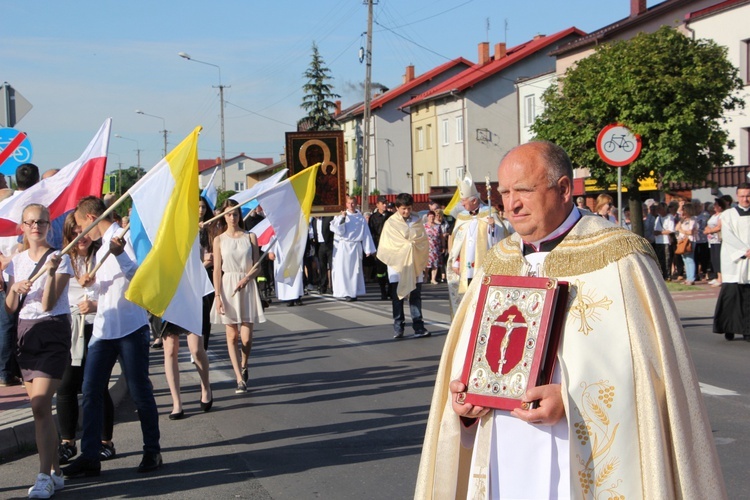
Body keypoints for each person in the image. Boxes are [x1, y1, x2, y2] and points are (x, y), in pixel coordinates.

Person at [415, 141, 726, 499]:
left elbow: (650, 376)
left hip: (578, 450)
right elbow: (470, 362)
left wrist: (570, 399)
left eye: (524, 191)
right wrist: (465, 402)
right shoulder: (498, 261)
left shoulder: (619, 258)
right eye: (504, 192)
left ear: (564, 189)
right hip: (502, 448)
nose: (511, 205)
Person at [64, 196, 162, 477]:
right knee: (91, 390)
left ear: (91, 218)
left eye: (82, 224)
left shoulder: (122, 238)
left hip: (131, 328)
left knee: (140, 390)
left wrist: (120, 254)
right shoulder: (99, 250)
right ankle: (90, 456)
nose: (82, 232)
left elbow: (140, 278)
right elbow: (104, 293)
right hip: (105, 329)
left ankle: (152, 450)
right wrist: (90, 286)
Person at [6, 203, 72, 498]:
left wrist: (50, 272)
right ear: (22, 226)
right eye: (30, 222)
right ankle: (56, 472)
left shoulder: (62, 257)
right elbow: (9, 308)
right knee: (41, 411)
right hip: (25, 335)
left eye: (42, 222)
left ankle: (43, 475)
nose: (36, 226)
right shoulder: (16, 262)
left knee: (40, 404)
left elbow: (47, 304)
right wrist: (14, 288)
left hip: (52, 331)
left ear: (49, 225)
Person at [55, 213, 117, 466]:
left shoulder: (104, 255)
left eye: (84, 230)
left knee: (97, 385)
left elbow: (118, 292)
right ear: (68, 234)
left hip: (97, 327)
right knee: (66, 385)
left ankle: (106, 442)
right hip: (70, 329)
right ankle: (67, 441)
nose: (80, 236)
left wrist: (96, 304)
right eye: (75, 231)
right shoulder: (60, 260)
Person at [210, 199, 265, 394]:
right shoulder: (219, 240)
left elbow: (257, 266)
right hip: (227, 287)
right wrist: (217, 295)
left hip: (247, 286)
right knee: (231, 334)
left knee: (246, 338)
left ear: (240, 215)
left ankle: (244, 363)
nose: (232, 217)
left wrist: (247, 278)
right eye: (228, 214)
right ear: (223, 216)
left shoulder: (251, 237)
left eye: (235, 213)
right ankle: (239, 378)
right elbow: (217, 270)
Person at [446, 172, 508, 313]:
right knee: (467, 296)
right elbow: (457, 243)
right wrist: (456, 261)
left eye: (464, 201)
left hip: (483, 264)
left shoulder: (489, 213)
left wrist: (493, 227)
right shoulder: (462, 217)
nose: (462, 204)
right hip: (465, 266)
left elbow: (500, 238)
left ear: (474, 201)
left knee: (481, 296)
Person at [376, 193, 430, 339]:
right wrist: (405, 246)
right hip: (397, 265)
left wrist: (415, 249)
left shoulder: (417, 221)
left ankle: (418, 326)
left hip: (414, 263)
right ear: (397, 208)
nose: (406, 212)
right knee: (398, 296)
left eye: (409, 208)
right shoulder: (391, 223)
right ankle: (398, 326)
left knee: (415, 295)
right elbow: (388, 244)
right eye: (403, 209)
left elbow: (423, 241)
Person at [713, 182, 750, 341]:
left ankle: (747, 330)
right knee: (731, 297)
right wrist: (744, 251)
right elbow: (727, 236)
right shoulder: (728, 215)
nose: (745, 199)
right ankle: (729, 327)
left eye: (748, 196)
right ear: (737, 196)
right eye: (742, 196)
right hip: (734, 260)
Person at [330, 196, 376, 301]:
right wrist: (342, 218)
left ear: (356, 204)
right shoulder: (341, 215)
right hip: (344, 246)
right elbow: (338, 231)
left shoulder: (360, 217)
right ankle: (345, 292)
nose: (351, 205)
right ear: (346, 204)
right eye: (349, 203)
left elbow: (366, 233)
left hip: (355, 246)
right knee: (344, 270)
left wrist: (368, 249)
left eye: (353, 203)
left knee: (355, 270)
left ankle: (353, 292)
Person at [368, 195, 393, 300]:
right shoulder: (373, 217)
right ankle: (382, 290)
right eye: (382, 203)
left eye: (386, 203)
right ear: (377, 204)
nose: (384, 205)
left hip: (390, 246)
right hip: (379, 247)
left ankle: (391, 291)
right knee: (381, 271)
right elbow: (370, 234)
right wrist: (372, 249)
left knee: (391, 270)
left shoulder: (391, 216)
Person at [704, 197, 728, 287]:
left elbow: (719, 226)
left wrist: (710, 231)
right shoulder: (713, 216)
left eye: (716, 205)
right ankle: (717, 276)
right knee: (714, 259)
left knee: (718, 259)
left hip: (718, 239)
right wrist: (706, 230)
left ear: (720, 206)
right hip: (711, 240)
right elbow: (707, 225)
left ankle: (721, 278)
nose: (714, 206)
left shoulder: (722, 215)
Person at [311, 216, 334, 294]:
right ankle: (323, 286)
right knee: (322, 266)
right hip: (320, 245)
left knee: (332, 266)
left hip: (329, 245)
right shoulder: (313, 221)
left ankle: (332, 286)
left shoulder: (328, 218)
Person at [676, 203, 698, 285]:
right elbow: (676, 228)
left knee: (690, 259)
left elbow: (690, 232)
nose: (683, 212)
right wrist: (681, 220)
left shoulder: (693, 219)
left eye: (684, 210)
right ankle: (688, 277)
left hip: (689, 241)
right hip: (682, 240)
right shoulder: (683, 220)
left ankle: (691, 278)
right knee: (685, 259)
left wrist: (681, 230)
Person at [653, 201, 676, 280]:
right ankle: (662, 275)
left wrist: (660, 232)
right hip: (658, 241)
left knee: (667, 259)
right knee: (660, 259)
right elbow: (655, 228)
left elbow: (671, 230)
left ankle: (668, 275)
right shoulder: (658, 218)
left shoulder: (670, 217)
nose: (658, 210)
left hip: (666, 241)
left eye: (660, 208)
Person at [423, 210, 443, 284]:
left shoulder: (438, 226)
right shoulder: (424, 226)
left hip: (436, 247)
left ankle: (433, 279)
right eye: (430, 216)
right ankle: (425, 277)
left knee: (435, 263)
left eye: (433, 216)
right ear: (427, 217)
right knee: (427, 264)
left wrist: (443, 246)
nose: (431, 218)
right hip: (427, 247)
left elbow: (441, 236)